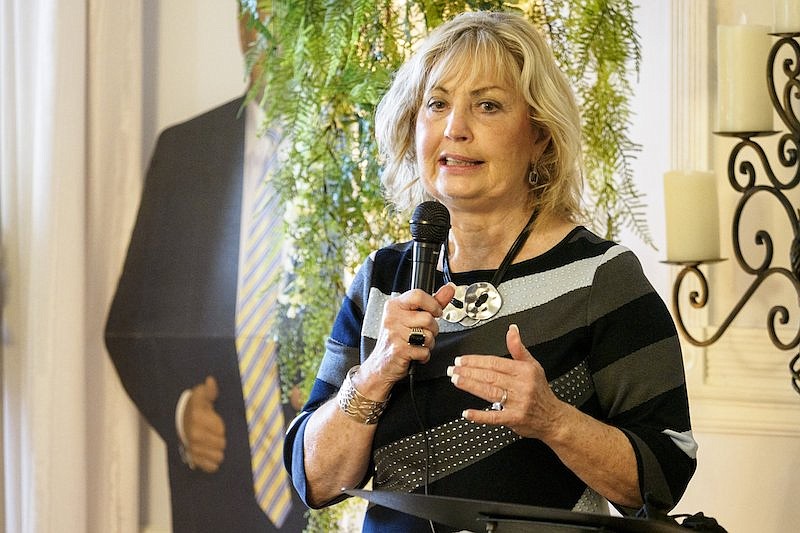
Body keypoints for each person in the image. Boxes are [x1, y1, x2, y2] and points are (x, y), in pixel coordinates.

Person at [284, 10, 697, 532]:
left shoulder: (599, 277)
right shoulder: (382, 279)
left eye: (488, 106)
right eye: (437, 104)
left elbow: (664, 474)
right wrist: (373, 375)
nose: (456, 129)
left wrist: (552, 419)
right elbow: (313, 480)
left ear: (540, 135)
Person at [104, 6, 307, 532]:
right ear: (240, 22)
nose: (272, 30)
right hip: (212, 495)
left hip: (331, 488)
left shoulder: (369, 150)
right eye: (260, 10)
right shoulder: (183, 152)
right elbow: (127, 326)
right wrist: (177, 410)